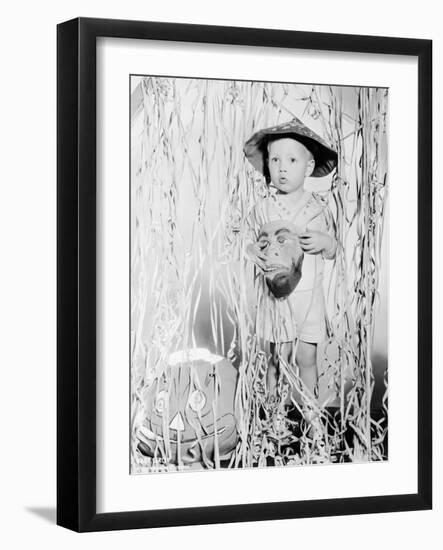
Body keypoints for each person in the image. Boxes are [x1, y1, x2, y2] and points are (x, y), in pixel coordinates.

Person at [243, 117, 338, 429]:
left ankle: (313, 420)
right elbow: (249, 245)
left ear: (309, 167)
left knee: (306, 359)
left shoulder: (318, 207)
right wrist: (252, 251)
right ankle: (274, 417)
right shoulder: (262, 208)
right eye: (275, 159)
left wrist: (325, 241)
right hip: (277, 301)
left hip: (309, 299)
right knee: (277, 358)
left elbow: (334, 248)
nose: (282, 168)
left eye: (292, 160)